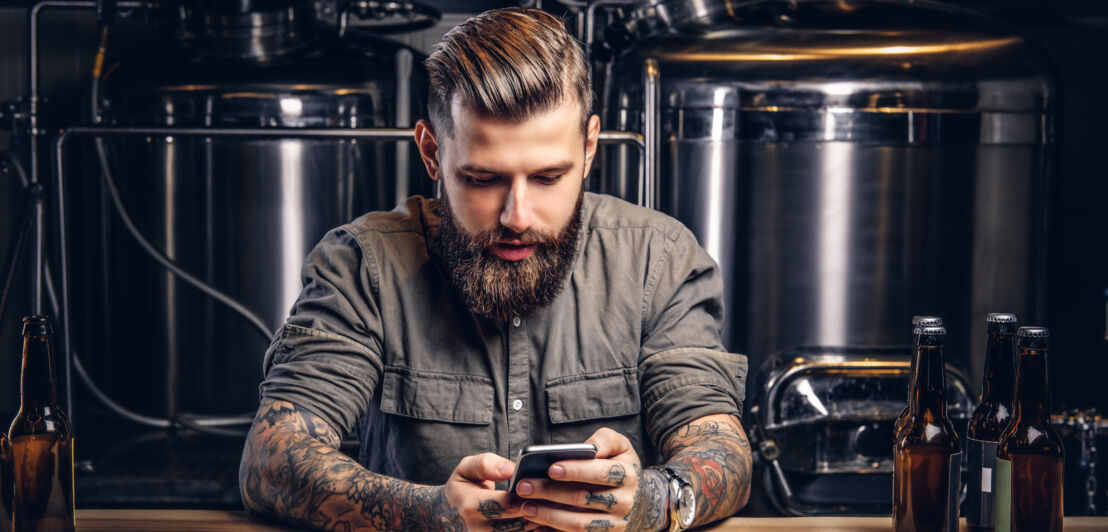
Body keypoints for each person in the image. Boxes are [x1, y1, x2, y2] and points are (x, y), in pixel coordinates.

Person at [238, 7, 751, 532]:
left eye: (549, 177)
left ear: (590, 147)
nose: (517, 217)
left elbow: (722, 452)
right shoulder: (362, 267)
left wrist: (653, 499)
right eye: (483, 180)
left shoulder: (658, 261)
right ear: (432, 153)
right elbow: (271, 461)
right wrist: (428, 512)